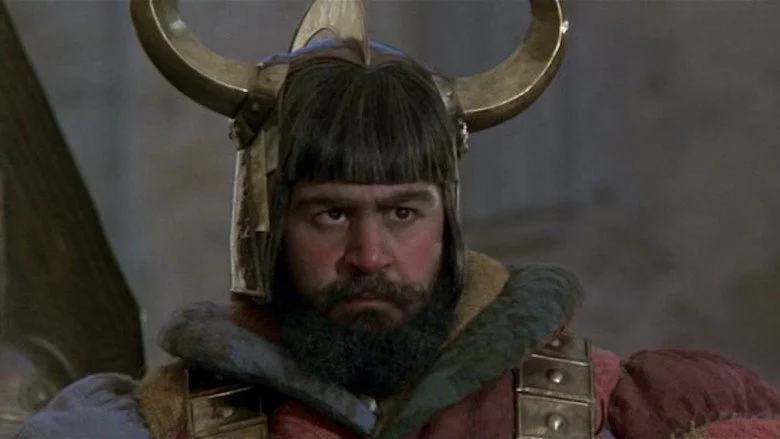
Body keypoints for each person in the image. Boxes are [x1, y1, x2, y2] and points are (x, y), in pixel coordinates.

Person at [15, 0, 780, 438]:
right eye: (330, 213)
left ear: (447, 224)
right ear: (271, 227)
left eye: (403, 211)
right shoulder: (149, 426)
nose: (369, 254)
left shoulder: (622, 412)